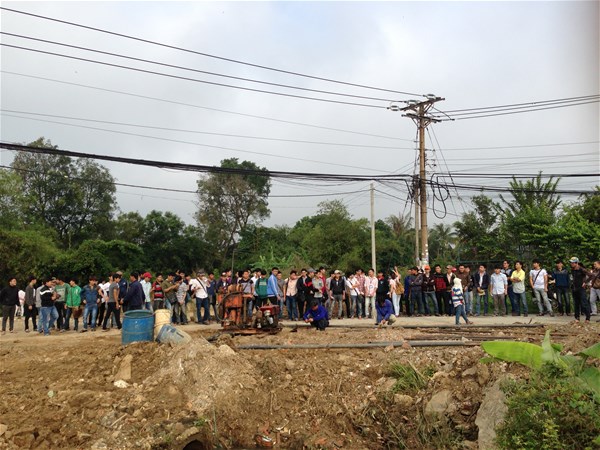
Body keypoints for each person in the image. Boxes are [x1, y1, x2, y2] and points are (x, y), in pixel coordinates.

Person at [569, 257, 590, 323]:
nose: (571, 264)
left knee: (584, 303)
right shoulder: (572, 269)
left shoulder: (582, 269)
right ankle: (577, 318)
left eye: (572, 263)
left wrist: (585, 282)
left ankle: (587, 318)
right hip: (575, 288)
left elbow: (591, 275)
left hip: (581, 288)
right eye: (571, 263)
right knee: (576, 304)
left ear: (576, 263)